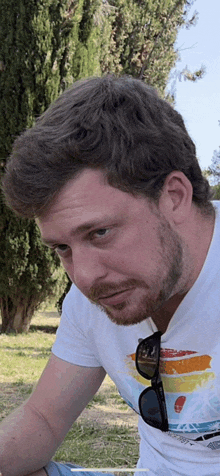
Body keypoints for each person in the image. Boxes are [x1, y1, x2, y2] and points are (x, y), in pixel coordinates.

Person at [0, 75, 220, 476]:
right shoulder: (90, 299)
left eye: (99, 233)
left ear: (174, 197)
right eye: (62, 248)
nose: (84, 277)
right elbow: (43, 419)